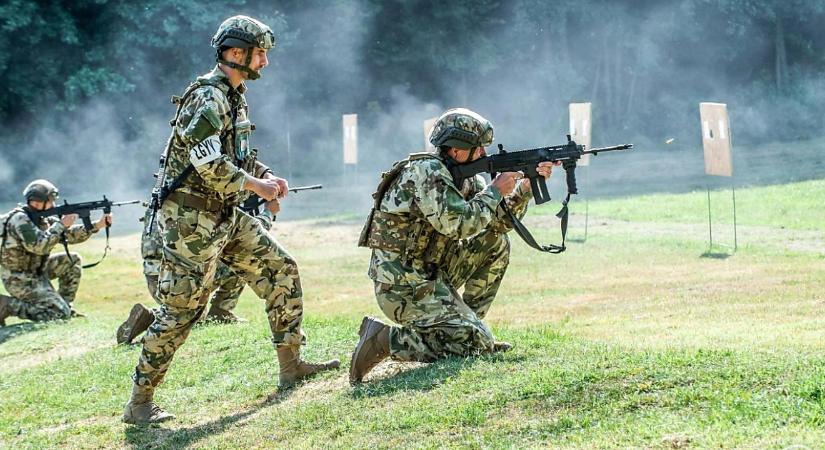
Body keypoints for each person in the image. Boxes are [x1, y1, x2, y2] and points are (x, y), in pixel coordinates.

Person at [123, 16, 338, 425]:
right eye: (261, 54)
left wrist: (267, 175)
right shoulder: (208, 97)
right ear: (235, 54)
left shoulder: (234, 96)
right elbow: (209, 165)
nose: (266, 63)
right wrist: (258, 188)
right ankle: (139, 404)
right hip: (189, 221)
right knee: (182, 311)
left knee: (280, 269)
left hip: (221, 213)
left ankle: (291, 365)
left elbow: (237, 156)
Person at [350, 108, 556, 384]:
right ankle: (385, 340)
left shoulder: (466, 177)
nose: (484, 153)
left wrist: (525, 189)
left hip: (432, 276)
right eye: (478, 148)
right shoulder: (426, 172)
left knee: (496, 243)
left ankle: (470, 328)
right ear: (458, 150)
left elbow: (496, 224)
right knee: (475, 343)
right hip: (401, 287)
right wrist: (495, 190)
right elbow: (458, 225)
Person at [115, 202, 277, 344]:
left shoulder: (161, 200)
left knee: (191, 313)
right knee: (241, 259)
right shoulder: (195, 204)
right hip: (179, 278)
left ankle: (152, 316)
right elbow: (243, 236)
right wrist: (268, 213)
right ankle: (154, 316)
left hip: (156, 279)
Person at [0, 179, 112, 325]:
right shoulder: (20, 220)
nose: (54, 204)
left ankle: (65, 306)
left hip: (38, 271)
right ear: (38, 202)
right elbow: (40, 246)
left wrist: (97, 225)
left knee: (72, 261)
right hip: (20, 279)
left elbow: (69, 235)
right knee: (58, 315)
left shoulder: (41, 218)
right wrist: (61, 225)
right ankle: (7, 305)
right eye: (51, 200)